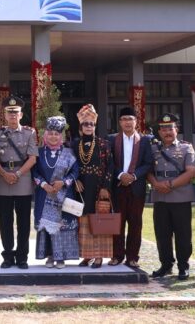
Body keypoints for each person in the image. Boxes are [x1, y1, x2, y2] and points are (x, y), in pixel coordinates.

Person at [147, 113, 195, 281]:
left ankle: (183, 266)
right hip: (159, 196)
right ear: (159, 131)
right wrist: (155, 184)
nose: (167, 132)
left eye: (170, 128)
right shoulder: (153, 148)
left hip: (180, 195)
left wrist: (170, 185)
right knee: (162, 233)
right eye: (163, 129)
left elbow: (191, 171)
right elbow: (147, 170)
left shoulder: (186, 148)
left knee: (183, 233)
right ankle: (166, 265)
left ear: (177, 129)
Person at [0, 95, 37, 269]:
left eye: (15, 113)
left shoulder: (29, 132)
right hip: (2, 181)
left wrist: (16, 174)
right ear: (4, 115)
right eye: (9, 113)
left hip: (22, 180)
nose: (12, 116)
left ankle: (22, 257)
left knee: (23, 222)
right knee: (5, 221)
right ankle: (8, 256)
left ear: (21, 115)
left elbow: (32, 158)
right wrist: (4, 173)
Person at [32, 116, 80, 269]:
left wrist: (64, 182)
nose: (53, 137)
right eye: (50, 133)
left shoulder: (69, 152)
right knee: (47, 227)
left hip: (64, 195)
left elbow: (75, 172)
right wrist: (44, 184)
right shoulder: (38, 153)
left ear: (61, 136)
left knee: (62, 226)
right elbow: (34, 172)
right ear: (45, 135)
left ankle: (61, 258)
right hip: (44, 195)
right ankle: (50, 256)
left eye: (57, 134)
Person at [108, 106, 152, 268]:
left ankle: (132, 257)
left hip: (136, 187)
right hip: (118, 186)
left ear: (136, 121)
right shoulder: (112, 139)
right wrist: (121, 175)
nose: (127, 122)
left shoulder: (145, 140)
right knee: (117, 222)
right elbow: (109, 162)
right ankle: (117, 255)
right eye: (124, 119)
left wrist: (133, 176)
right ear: (119, 122)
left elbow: (148, 163)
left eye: (130, 119)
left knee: (135, 223)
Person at [72, 104, 113, 269]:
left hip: (99, 187)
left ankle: (99, 256)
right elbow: (70, 166)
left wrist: (106, 186)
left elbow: (111, 166)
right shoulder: (74, 144)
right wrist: (75, 180)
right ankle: (87, 255)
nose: (88, 127)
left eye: (91, 124)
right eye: (85, 124)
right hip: (81, 189)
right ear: (80, 126)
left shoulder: (104, 144)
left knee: (100, 221)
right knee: (83, 222)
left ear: (95, 126)